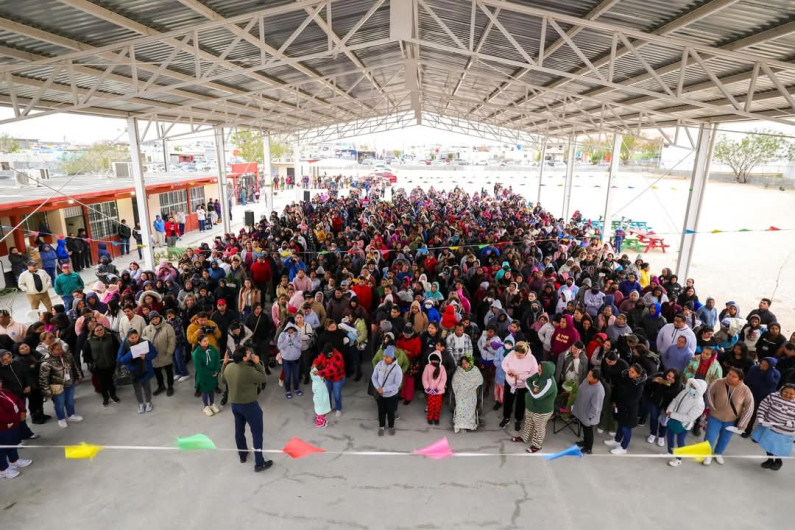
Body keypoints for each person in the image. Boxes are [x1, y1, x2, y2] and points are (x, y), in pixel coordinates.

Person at [221, 345, 272, 472]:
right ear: (244, 358)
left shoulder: (229, 368)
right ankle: (259, 463)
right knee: (257, 433)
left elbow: (223, 380)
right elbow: (263, 378)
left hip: (235, 404)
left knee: (239, 430)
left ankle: (242, 454)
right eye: (248, 354)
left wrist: (224, 364)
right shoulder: (249, 371)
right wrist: (258, 364)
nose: (250, 354)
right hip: (249, 405)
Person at [703, 368, 754, 465]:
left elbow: (749, 408)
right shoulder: (718, 382)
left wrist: (742, 424)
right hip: (715, 417)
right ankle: (707, 454)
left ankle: (718, 453)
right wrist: (712, 407)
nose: (729, 377)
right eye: (729, 374)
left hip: (731, 420)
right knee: (710, 436)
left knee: (725, 438)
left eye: (733, 376)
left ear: (740, 379)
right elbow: (709, 393)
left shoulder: (745, 390)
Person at [512, 361, 557, 452]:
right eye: (538, 369)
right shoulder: (539, 375)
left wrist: (532, 388)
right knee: (528, 423)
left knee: (539, 428)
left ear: (546, 372)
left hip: (542, 411)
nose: (538, 371)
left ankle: (537, 445)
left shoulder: (549, 383)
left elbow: (537, 396)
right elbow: (528, 381)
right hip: (531, 407)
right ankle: (524, 438)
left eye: (540, 370)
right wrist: (534, 388)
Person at [604, 363, 647, 455]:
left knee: (626, 429)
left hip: (629, 411)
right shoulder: (625, 378)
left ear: (638, 375)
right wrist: (614, 400)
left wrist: (619, 405)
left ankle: (623, 447)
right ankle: (617, 440)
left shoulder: (639, 386)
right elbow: (617, 389)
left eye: (633, 372)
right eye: (630, 370)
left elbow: (632, 401)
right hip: (620, 407)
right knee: (620, 424)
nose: (629, 373)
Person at [39, 342, 83, 428]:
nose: (61, 351)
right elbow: (43, 378)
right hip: (57, 386)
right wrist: (47, 391)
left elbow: (74, 366)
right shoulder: (46, 362)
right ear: (51, 350)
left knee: (70, 400)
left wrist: (78, 376)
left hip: (70, 382)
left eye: (61, 348)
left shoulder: (68, 355)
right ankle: (61, 418)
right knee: (59, 403)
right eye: (58, 349)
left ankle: (71, 415)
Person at [664, 378, 707, 467]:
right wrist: (669, 410)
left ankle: (678, 459)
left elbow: (689, 417)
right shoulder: (685, 392)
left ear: (699, 390)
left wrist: (672, 415)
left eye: (694, 387)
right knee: (669, 436)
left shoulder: (700, 403)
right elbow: (675, 400)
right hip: (673, 418)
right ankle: (669, 452)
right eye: (691, 385)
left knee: (680, 441)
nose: (691, 387)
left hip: (683, 425)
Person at [752, 384, 795, 471]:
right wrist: (761, 417)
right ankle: (770, 460)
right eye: (786, 392)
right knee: (768, 445)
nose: (787, 395)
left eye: (791, 394)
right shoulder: (772, 396)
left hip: (785, 431)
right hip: (770, 427)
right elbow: (763, 406)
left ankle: (778, 461)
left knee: (779, 448)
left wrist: (792, 423)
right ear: (781, 390)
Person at [499, 341, 538, 432]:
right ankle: (506, 417)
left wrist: (520, 376)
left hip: (523, 385)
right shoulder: (512, 354)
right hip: (510, 382)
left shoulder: (532, 359)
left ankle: (518, 420)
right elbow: (504, 363)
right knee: (508, 400)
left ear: (525, 352)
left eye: (520, 355)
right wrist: (508, 371)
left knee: (521, 402)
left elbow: (534, 374)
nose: (517, 356)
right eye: (516, 354)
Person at [118, 329, 157, 414]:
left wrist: (146, 356)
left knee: (147, 387)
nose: (135, 339)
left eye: (136, 337)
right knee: (137, 389)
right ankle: (140, 403)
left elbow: (154, 353)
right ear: (128, 338)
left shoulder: (145, 343)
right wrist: (131, 354)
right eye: (132, 338)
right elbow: (120, 359)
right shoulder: (124, 345)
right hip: (133, 371)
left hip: (145, 369)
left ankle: (148, 402)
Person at [0, 380, 32, 480]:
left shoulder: (4, 391)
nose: (0, 384)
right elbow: (2, 416)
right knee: (2, 448)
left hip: (13, 424)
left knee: (12, 442)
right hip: (3, 426)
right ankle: (3, 470)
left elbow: (17, 400)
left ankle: (14, 461)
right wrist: (17, 418)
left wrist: (23, 411)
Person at [82, 324, 120, 406]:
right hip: (98, 367)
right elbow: (86, 355)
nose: (100, 332)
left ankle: (113, 395)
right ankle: (105, 397)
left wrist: (115, 358)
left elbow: (117, 347)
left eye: (101, 329)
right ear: (93, 332)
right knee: (102, 383)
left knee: (111, 381)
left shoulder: (111, 337)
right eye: (97, 330)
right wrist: (92, 362)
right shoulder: (89, 341)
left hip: (110, 364)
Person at [743, 357, 781, 437]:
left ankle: (758, 435)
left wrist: (769, 372)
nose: (762, 366)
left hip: (766, 397)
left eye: (765, 365)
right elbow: (748, 380)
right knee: (751, 412)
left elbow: (771, 384)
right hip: (753, 393)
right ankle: (747, 429)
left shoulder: (776, 373)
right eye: (761, 363)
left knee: (763, 416)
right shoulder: (754, 369)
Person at [142, 311, 176, 398]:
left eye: (156, 318)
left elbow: (172, 341)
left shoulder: (168, 327)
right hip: (154, 356)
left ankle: (170, 386)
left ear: (159, 317)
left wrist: (169, 352)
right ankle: (161, 386)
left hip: (165, 354)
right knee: (157, 372)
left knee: (169, 371)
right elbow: (143, 340)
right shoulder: (147, 329)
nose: (155, 320)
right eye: (153, 319)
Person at [646, 368, 683, 447]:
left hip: (668, 406)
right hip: (655, 402)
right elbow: (646, 380)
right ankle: (653, 433)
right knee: (653, 418)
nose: (669, 378)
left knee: (664, 421)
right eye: (668, 376)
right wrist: (653, 380)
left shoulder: (678, 387)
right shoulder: (660, 376)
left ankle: (661, 436)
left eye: (673, 378)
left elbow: (676, 401)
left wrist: (666, 408)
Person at [371, 345, 403, 436]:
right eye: (384, 356)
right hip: (380, 395)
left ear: (392, 357)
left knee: (390, 411)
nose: (385, 358)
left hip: (391, 396)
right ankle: (381, 426)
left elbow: (397, 384)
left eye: (387, 357)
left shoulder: (397, 369)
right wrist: (378, 388)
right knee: (381, 411)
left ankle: (391, 426)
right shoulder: (379, 364)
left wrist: (384, 389)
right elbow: (374, 377)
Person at [573, 368, 605, 454]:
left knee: (588, 431)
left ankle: (588, 448)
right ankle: (585, 441)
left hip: (588, 415)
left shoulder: (598, 390)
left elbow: (596, 408)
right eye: (588, 374)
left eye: (590, 376)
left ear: (596, 378)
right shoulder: (586, 381)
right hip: (582, 411)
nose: (587, 376)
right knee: (584, 429)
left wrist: (589, 417)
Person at [312, 343, 346, 417]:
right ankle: (328, 407)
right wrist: (315, 364)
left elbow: (331, 370)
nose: (328, 356)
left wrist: (319, 373)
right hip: (328, 378)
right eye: (326, 355)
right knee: (327, 394)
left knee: (337, 395)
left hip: (337, 378)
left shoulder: (338, 357)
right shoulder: (324, 354)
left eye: (329, 355)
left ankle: (338, 409)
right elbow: (318, 359)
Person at [452, 354, 483, 433]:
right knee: (460, 404)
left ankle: (468, 424)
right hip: (461, 393)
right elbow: (455, 382)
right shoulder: (459, 370)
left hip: (471, 392)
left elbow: (479, 380)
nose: (464, 365)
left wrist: (470, 386)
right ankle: (460, 424)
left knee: (469, 405)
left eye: (466, 363)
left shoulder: (475, 370)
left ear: (470, 362)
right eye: (463, 363)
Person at [192, 334, 222, 416]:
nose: (207, 342)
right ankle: (206, 406)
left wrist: (217, 370)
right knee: (205, 390)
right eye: (204, 341)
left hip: (213, 374)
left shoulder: (211, 348)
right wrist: (211, 373)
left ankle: (212, 403)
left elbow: (217, 358)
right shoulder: (196, 353)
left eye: (207, 340)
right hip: (204, 375)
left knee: (211, 389)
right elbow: (199, 368)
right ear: (199, 342)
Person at [277, 323, 302, 398]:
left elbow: (300, 346)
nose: (290, 332)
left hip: (296, 359)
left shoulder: (298, 335)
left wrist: (293, 340)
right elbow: (280, 346)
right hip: (286, 360)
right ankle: (288, 390)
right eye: (289, 331)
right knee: (287, 376)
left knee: (296, 376)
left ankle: (296, 388)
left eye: (292, 331)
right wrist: (287, 339)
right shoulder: (282, 335)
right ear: (286, 330)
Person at [422, 351, 447, 425]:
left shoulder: (442, 368)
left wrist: (438, 388)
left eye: (436, 360)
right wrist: (427, 388)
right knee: (430, 405)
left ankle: (436, 417)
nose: (434, 361)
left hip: (438, 391)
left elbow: (443, 379)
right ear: (430, 359)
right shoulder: (427, 366)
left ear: (439, 360)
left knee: (438, 405)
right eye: (433, 360)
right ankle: (430, 417)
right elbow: (424, 378)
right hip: (430, 391)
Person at [310, 362, 332, 428]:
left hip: (319, 399)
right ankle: (320, 423)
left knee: (320, 410)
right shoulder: (320, 382)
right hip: (320, 399)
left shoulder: (315, 379)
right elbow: (321, 393)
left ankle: (322, 421)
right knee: (321, 411)